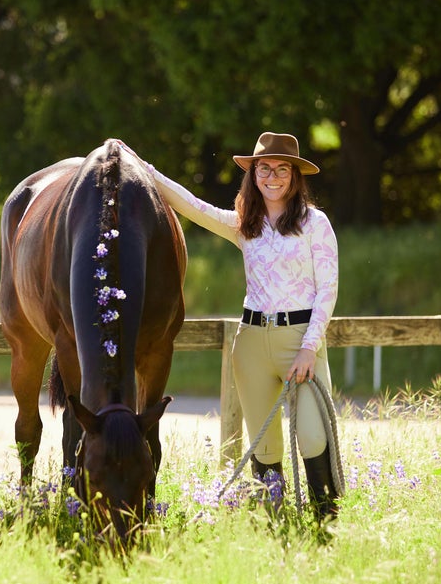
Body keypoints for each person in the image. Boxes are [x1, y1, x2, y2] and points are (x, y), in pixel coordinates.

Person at [120, 132, 340, 520]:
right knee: (264, 446)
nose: (272, 176)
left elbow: (328, 290)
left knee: (312, 435)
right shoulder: (246, 226)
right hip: (252, 343)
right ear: (253, 174)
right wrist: (143, 168)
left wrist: (309, 347)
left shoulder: (314, 224)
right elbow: (193, 206)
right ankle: (274, 525)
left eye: (281, 169)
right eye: (264, 169)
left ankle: (326, 525)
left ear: (295, 175)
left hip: (300, 341)